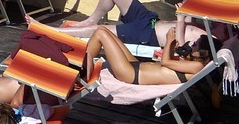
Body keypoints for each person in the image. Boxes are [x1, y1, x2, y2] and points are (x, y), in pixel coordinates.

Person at [83, 25, 212, 87]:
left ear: (204, 52)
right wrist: (171, 46)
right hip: (136, 65)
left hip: (130, 74)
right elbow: (169, 66)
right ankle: (85, 66)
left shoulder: (198, 66)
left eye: (197, 44)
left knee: (100, 33)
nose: (193, 44)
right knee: (103, 29)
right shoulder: (194, 64)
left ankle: (84, 72)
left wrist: (168, 41)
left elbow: (165, 62)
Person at [58, 0, 182, 45]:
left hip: (147, 34)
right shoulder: (201, 22)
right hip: (150, 19)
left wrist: (181, 20)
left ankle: (52, 31)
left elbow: (181, 48)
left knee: (100, 30)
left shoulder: (200, 44)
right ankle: (91, 19)